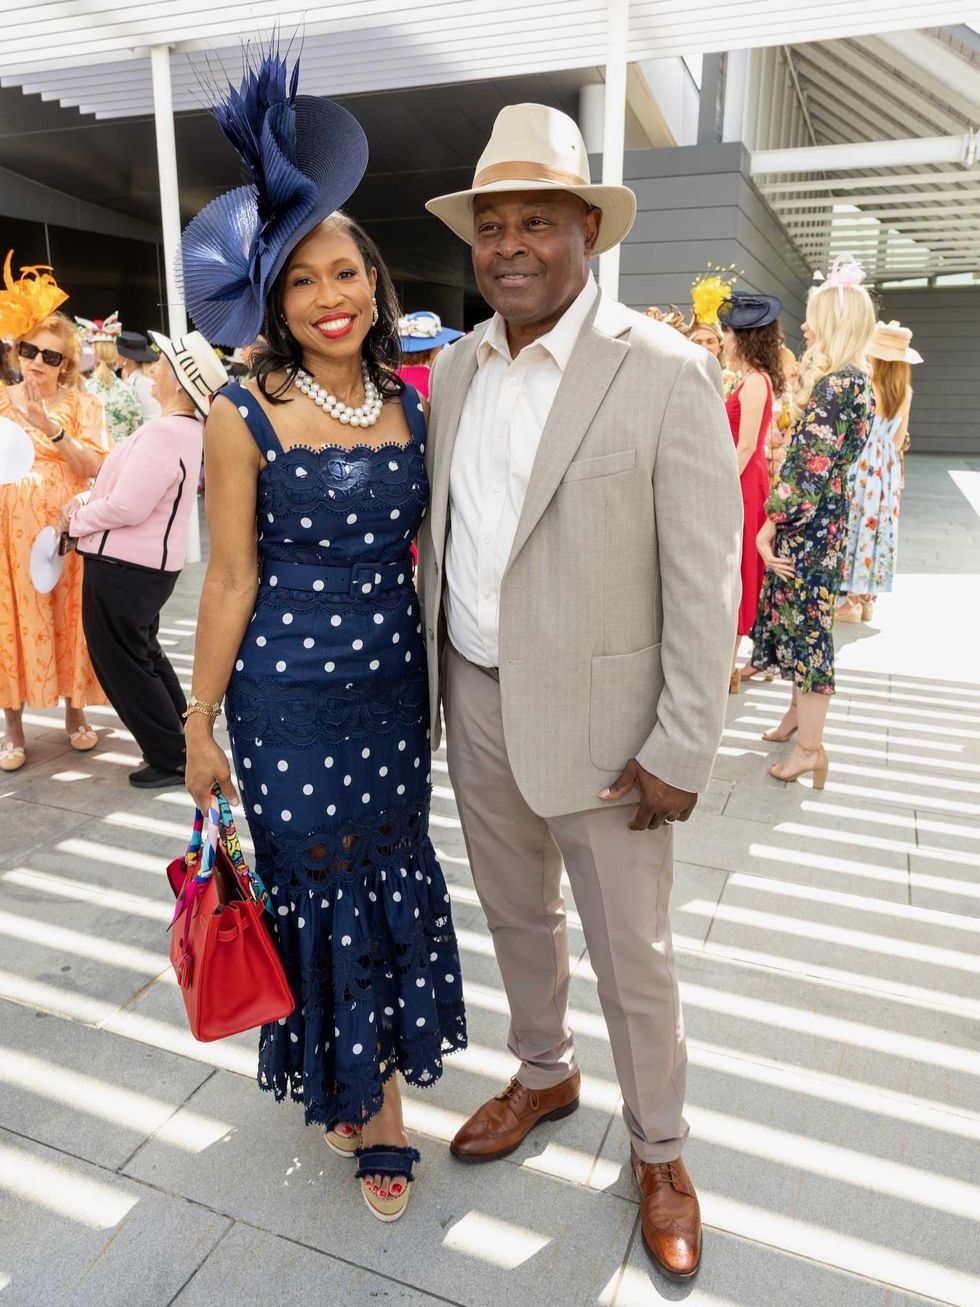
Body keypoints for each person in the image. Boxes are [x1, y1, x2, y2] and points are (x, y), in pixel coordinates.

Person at [420, 103, 741, 1281]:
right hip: (477, 699)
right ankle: (545, 1072)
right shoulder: (456, 366)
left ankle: (659, 1149)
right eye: (489, 225)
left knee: (634, 952)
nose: (508, 245)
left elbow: (707, 578)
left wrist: (683, 746)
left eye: (535, 222)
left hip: (613, 736)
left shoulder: (661, 372)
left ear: (586, 233)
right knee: (515, 918)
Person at [179, 50, 466, 1223]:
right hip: (285, 699)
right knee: (316, 884)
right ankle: (367, 1104)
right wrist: (195, 723)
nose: (327, 294)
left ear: (372, 277)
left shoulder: (412, 398)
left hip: (392, 692)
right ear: (270, 298)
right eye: (300, 280)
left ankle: (373, 1082)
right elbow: (229, 579)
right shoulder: (240, 415)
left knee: (388, 874)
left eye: (344, 269)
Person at [60, 332, 225, 788]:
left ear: (176, 378)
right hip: (144, 569)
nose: (152, 366)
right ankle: (182, 744)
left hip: (123, 569)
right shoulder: (187, 432)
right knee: (143, 655)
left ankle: (171, 756)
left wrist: (76, 520)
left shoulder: (165, 432)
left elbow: (129, 506)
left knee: (124, 664)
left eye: (161, 362)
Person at [750, 255, 875, 786]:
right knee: (804, 627)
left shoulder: (833, 387)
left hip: (807, 529)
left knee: (810, 633)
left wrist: (771, 522)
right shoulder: (857, 382)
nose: (805, 325)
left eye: (813, 315)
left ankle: (810, 747)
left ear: (833, 323)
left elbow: (807, 470)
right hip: (827, 525)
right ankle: (798, 720)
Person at [0, 254, 110, 772]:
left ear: (65, 363)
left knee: (70, 616)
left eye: (50, 355)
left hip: (66, 531)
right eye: (29, 351)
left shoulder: (83, 407)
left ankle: (75, 713)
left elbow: (96, 468)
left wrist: (52, 428)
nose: (38, 362)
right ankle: (13, 726)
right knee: (10, 622)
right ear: (16, 351)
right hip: (7, 536)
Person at [718, 293, 785, 694]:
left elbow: (745, 447)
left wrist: (721, 486)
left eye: (727, 333)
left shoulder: (756, 382)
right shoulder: (751, 379)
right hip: (743, 478)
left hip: (743, 480)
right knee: (736, 564)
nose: (723, 340)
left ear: (744, 337)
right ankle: (727, 667)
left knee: (740, 564)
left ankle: (728, 667)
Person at [837, 320, 921, 624]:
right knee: (874, 527)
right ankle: (866, 599)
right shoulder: (905, 391)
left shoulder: (866, 383)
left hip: (862, 462)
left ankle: (851, 602)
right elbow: (899, 440)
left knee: (855, 524)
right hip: (885, 466)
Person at [78, 314, 143, 444]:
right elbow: (138, 430)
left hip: (96, 453)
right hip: (125, 454)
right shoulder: (129, 390)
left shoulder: (83, 389)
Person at [397, 310, 463, 399]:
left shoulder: (388, 379)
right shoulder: (439, 381)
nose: (441, 349)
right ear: (433, 352)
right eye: (440, 345)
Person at [116, 330, 162, 422]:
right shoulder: (134, 379)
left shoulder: (142, 382)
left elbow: (153, 416)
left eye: (117, 352)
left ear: (125, 357)